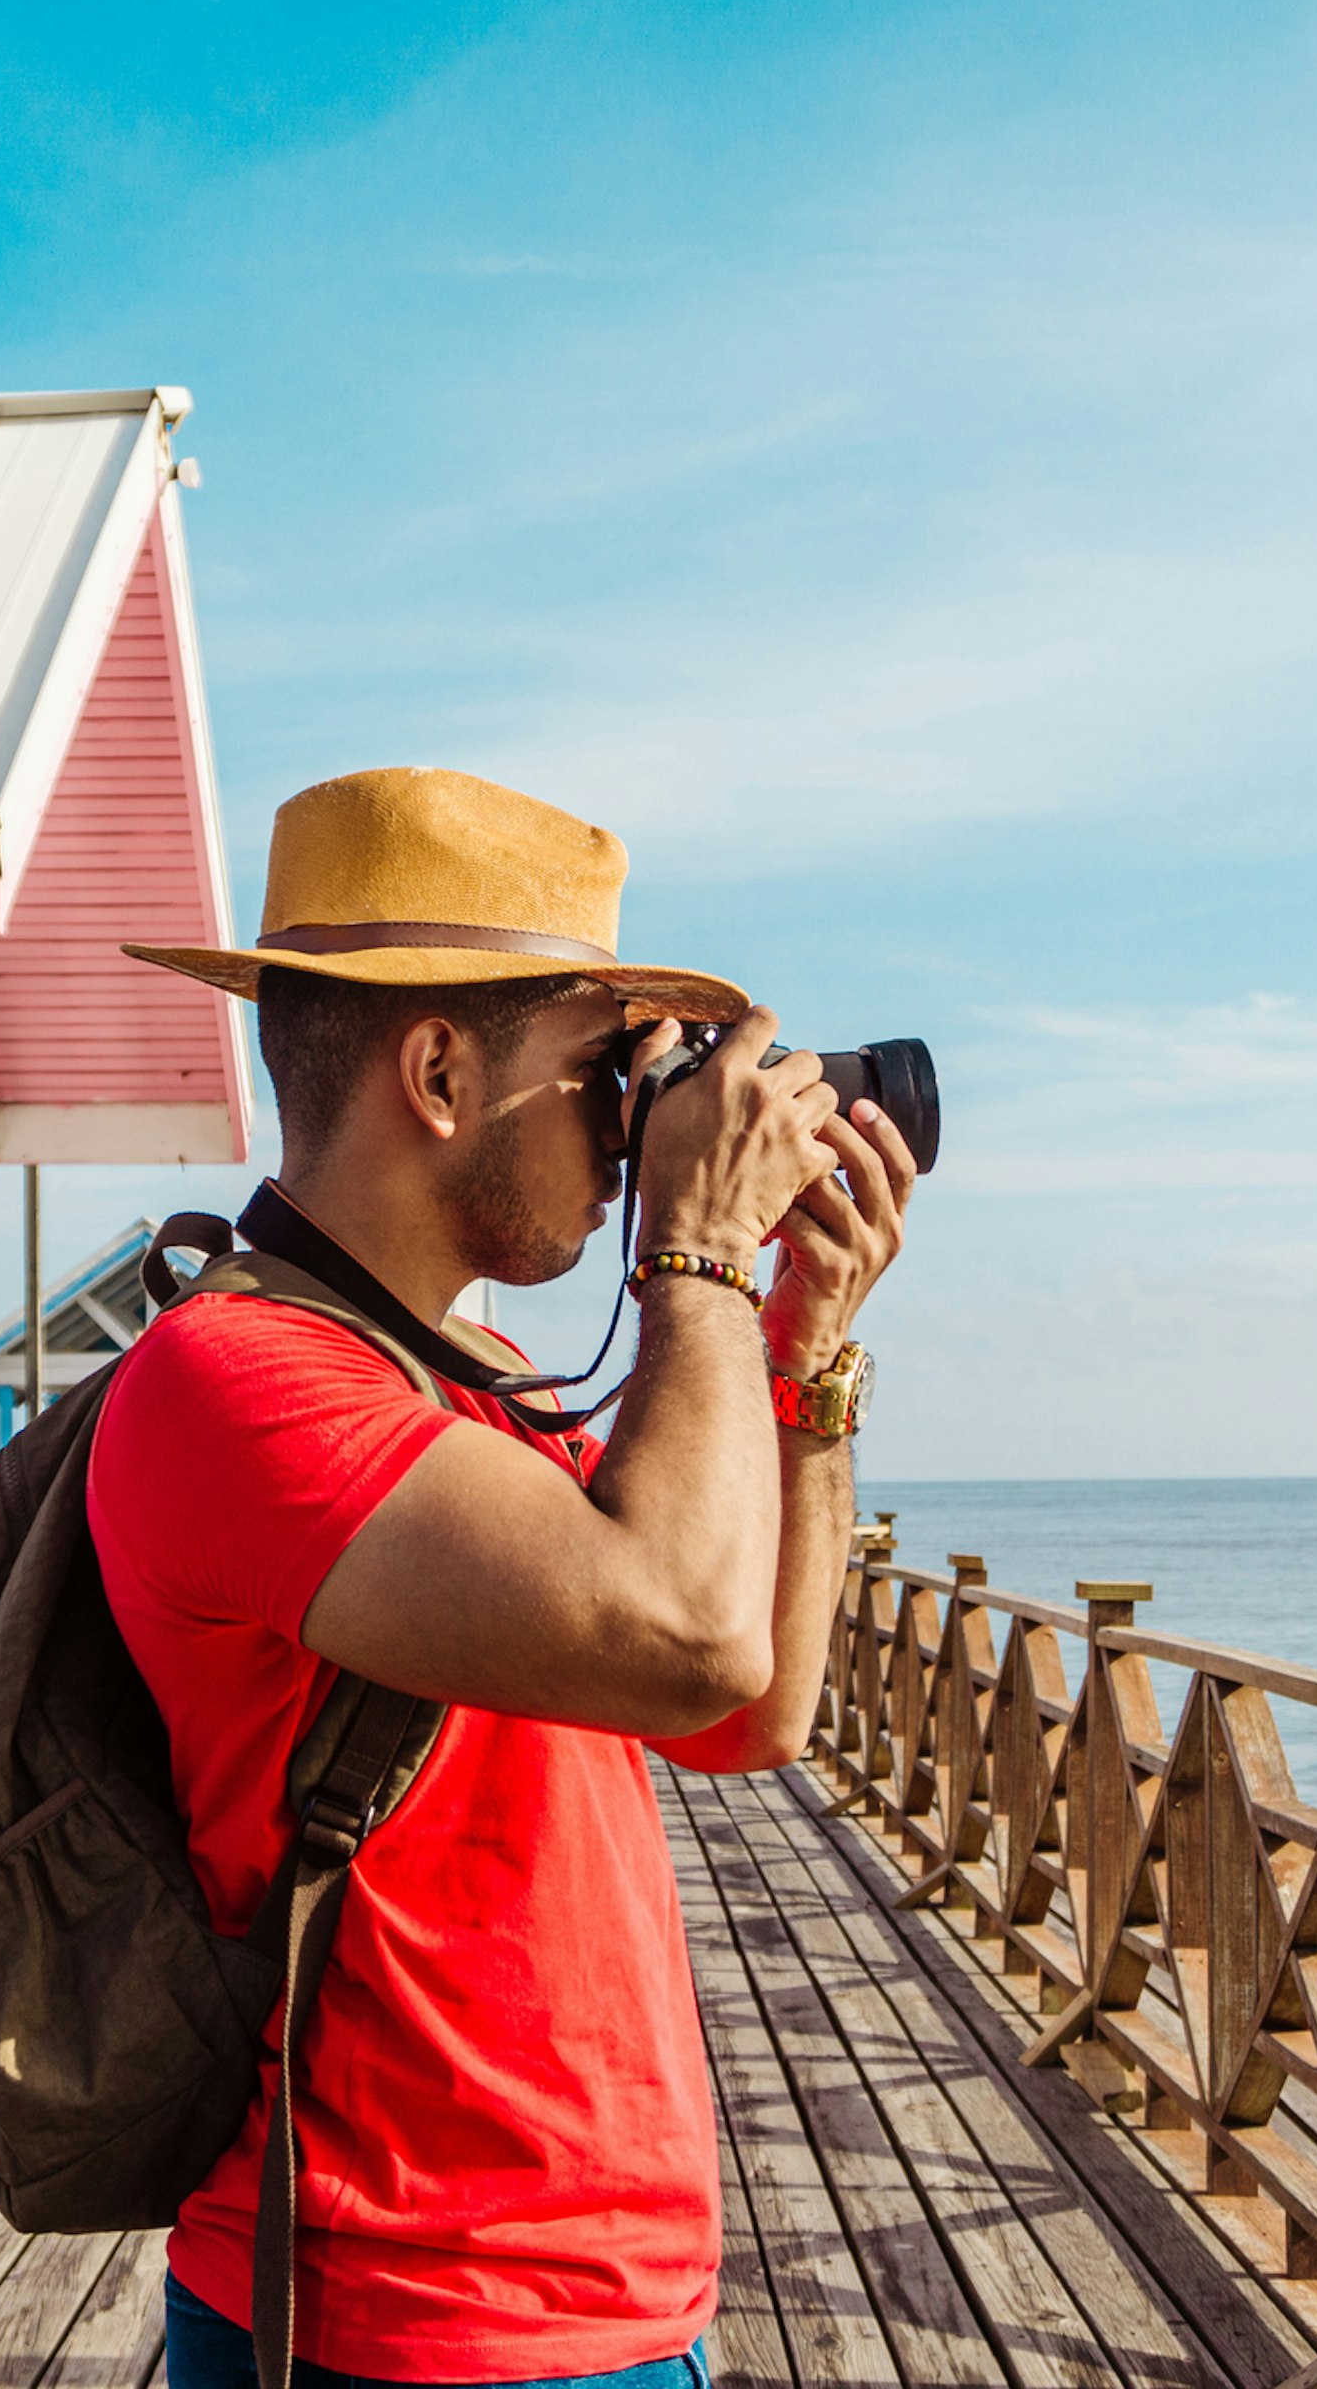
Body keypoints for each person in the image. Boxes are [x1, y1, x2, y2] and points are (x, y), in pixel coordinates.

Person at [96, 768, 920, 2389]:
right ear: (438, 1069)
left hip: (571, 2299)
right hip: (400, 2313)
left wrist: (801, 1352)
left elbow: (741, 1709)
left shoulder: (460, 1377)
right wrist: (694, 1244)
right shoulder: (243, 1382)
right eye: (605, 1070)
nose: (637, 1125)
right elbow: (682, 1636)